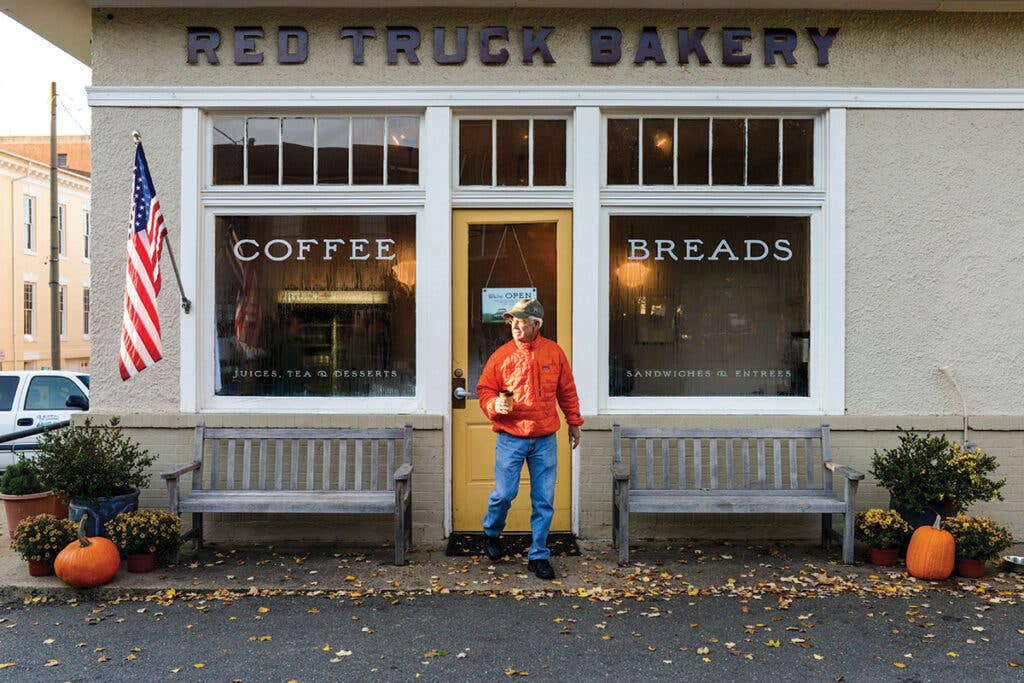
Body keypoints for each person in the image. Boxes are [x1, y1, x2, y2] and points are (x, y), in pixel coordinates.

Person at [476, 298, 583, 580]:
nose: (516, 327)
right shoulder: (502, 355)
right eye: (513, 321)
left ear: (537, 324)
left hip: (545, 437)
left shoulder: (554, 353)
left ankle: (538, 555)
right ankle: (491, 532)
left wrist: (574, 423)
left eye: (522, 322)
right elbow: (485, 389)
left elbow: (567, 391)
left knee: (544, 499)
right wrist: (492, 406)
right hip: (511, 437)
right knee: (504, 494)